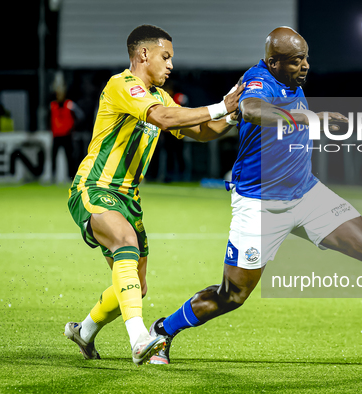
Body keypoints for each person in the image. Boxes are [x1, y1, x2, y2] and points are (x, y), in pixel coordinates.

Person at [149, 27, 362, 364]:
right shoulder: (258, 79)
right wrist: (308, 118)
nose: (305, 66)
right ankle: (163, 331)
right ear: (273, 62)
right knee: (233, 295)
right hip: (260, 204)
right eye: (295, 61)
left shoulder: (291, 80)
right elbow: (251, 109)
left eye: (306, 58)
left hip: (306, 194)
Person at [63, 24, 244, 365]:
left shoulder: (159, 97)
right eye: (166, 56)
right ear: (143, 54)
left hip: (128, 199)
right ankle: (139, 340)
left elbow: (203, 131)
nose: (171, 65)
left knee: (136, 286)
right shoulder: (122, 85)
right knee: (124, 242)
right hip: (95, 187)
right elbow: (162, 118)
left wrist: (236, 113)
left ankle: (83, 331)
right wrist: (220, 106)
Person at [50, 78, 84, 180]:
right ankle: (53, 176)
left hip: (67, 135)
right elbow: (48, 119)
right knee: (53, 157)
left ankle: (71, 177)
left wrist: (73, 127)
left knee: (69, 157)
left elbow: (80, 116)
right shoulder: (52, 105)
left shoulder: (69, 104)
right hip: (56, 135)